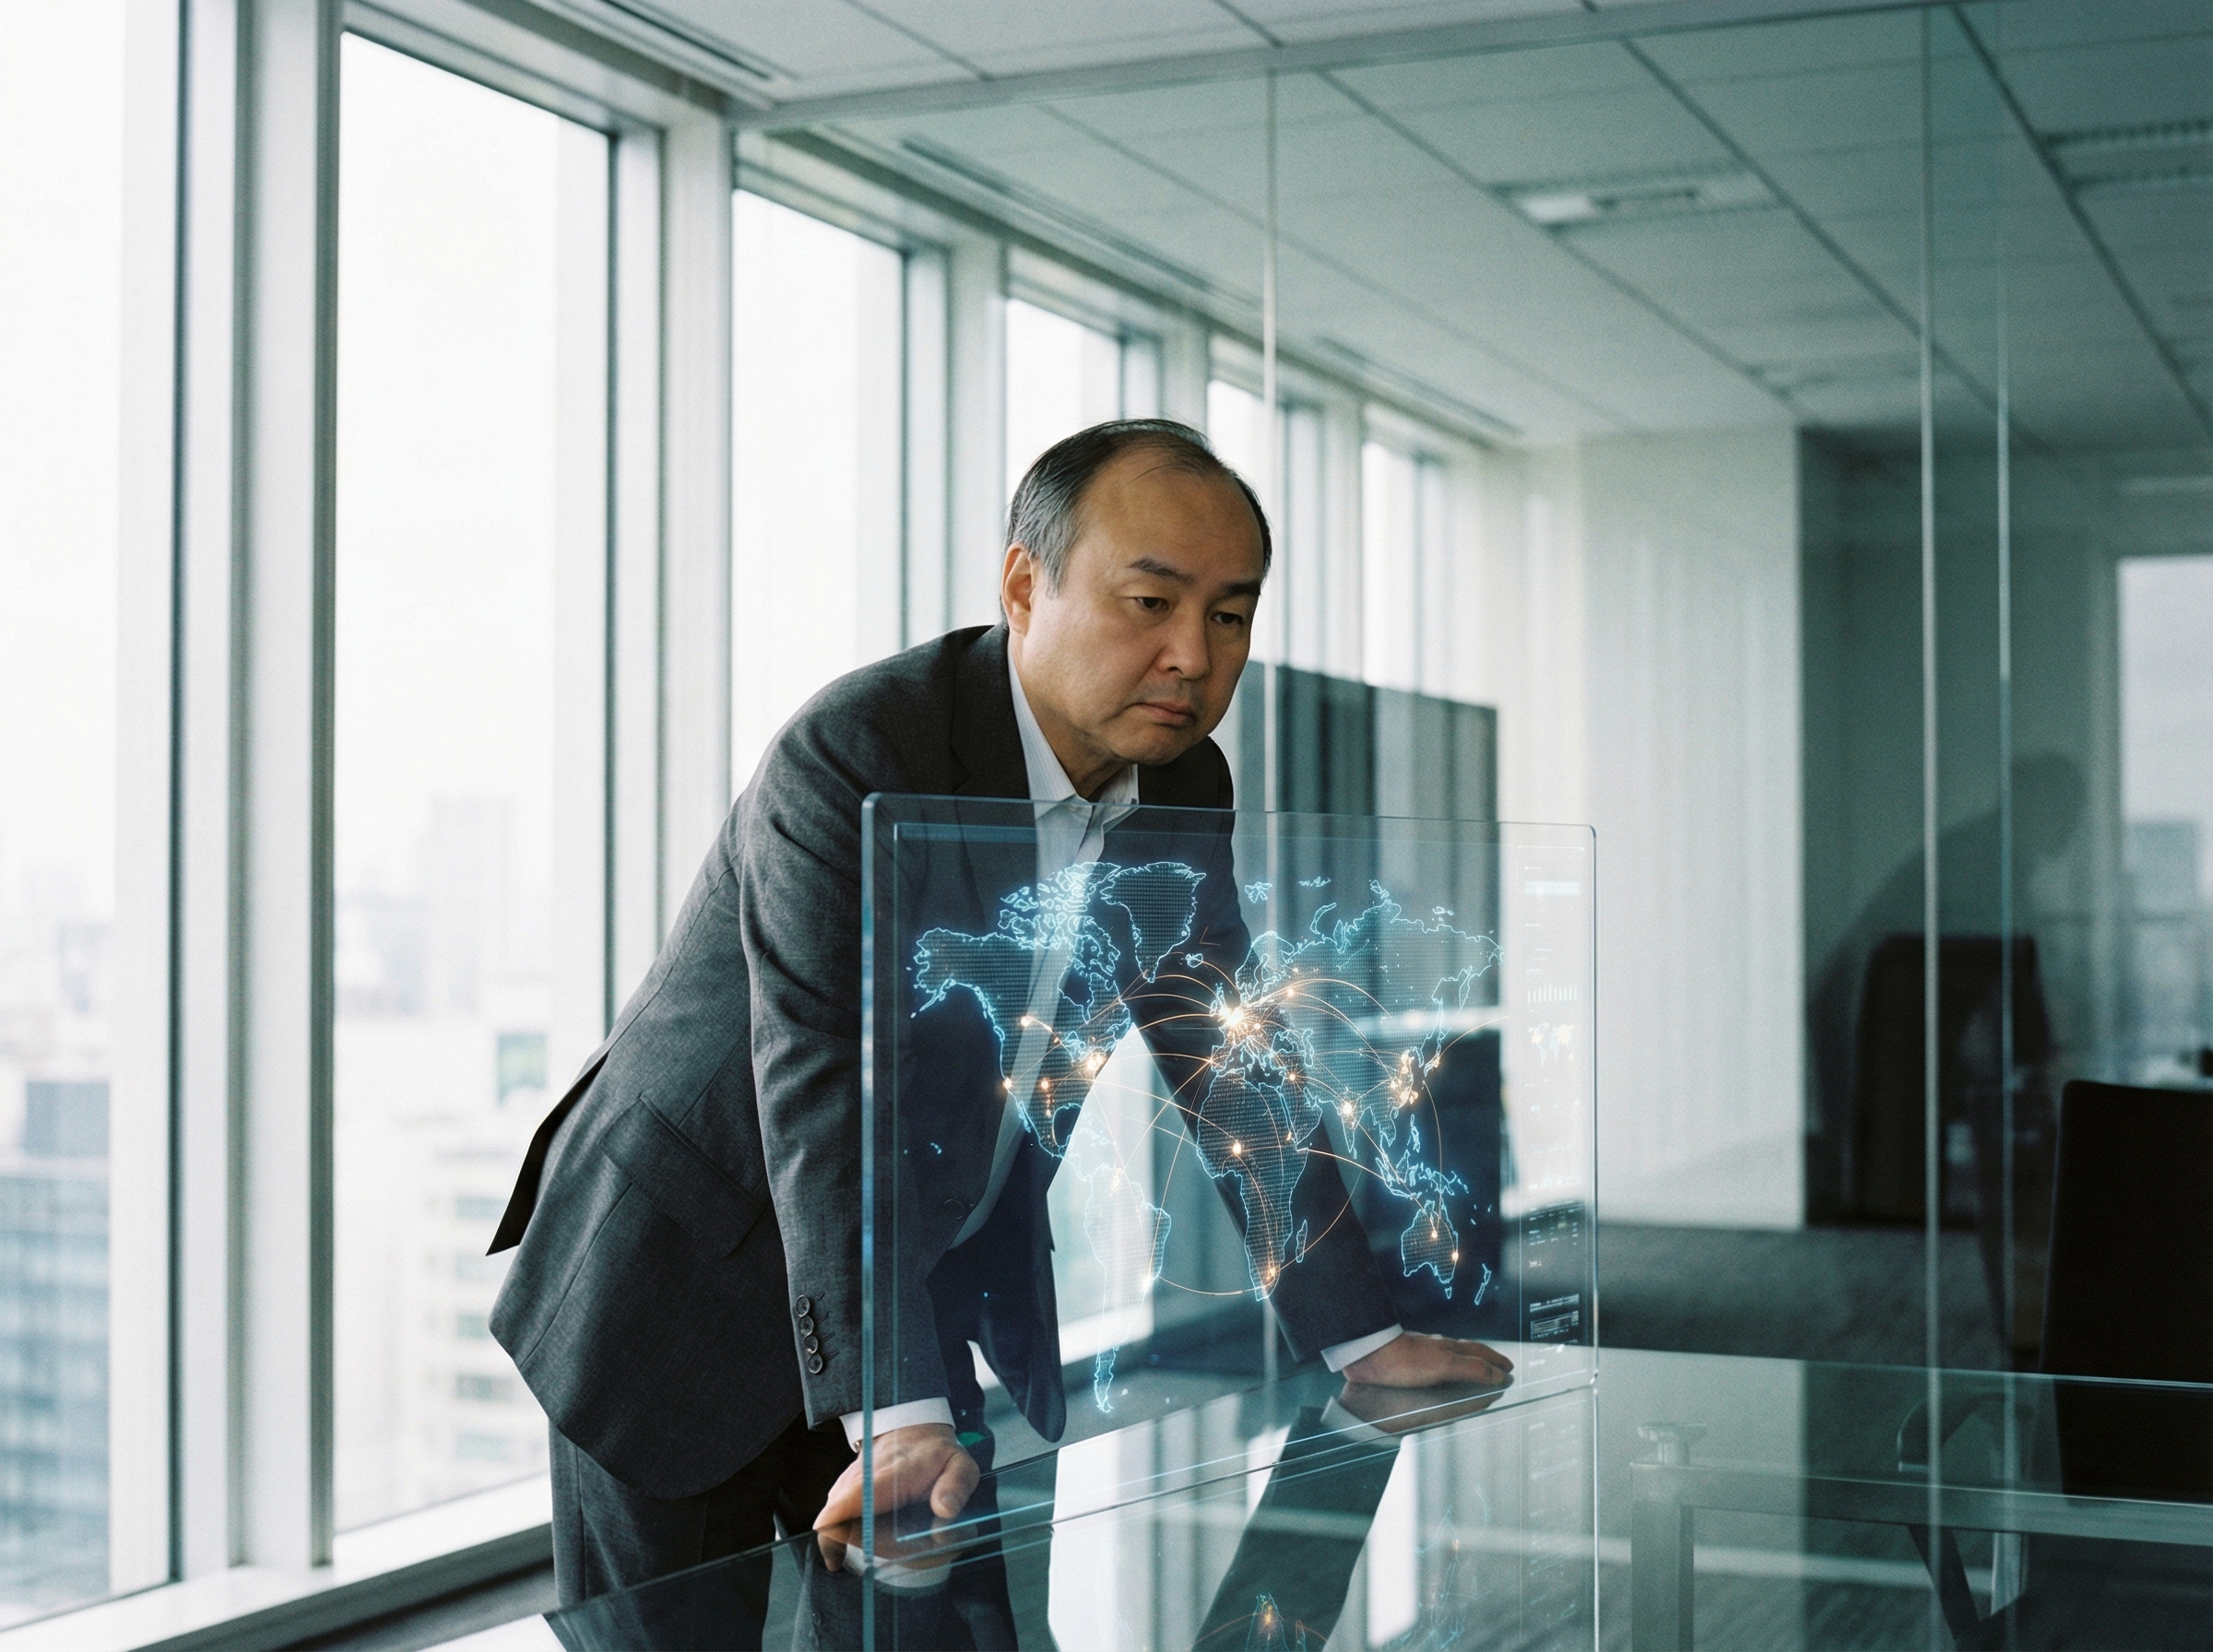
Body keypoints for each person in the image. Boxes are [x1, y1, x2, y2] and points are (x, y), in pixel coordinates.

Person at [486, 419, 1515, 1605]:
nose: (1194, 654)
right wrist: (895, 1413)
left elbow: (1228, 1054)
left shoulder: (1183, 782)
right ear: (1026, 586)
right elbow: (826, 1082)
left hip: (900, 1285)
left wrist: (1362, 1339)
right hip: (682, 1283)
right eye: (1150, 602)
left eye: (1231, 615)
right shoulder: (865, 746)